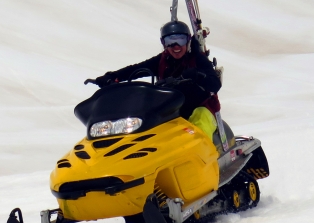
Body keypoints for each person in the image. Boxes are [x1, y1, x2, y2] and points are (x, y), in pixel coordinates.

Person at [92, 21, 222, 141]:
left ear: (188, 40)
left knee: (199, 128)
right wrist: (113, 76)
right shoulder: (162, 61)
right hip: (173, 110)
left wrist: (198, 75)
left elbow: (215, 84)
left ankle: (203, 159)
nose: (176, 46)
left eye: (180, 40)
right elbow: (137, 69)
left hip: (200, 108)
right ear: (163, 43)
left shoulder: (197, 60)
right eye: (170, 41)